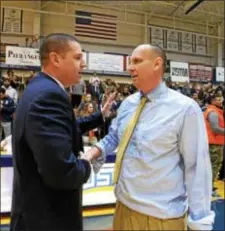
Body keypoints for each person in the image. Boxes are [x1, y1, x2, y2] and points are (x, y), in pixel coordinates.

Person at [83, 44, 215, 230]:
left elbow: (196, 167)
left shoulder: (185, 108)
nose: (130, 67)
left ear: (157, 64)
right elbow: (114, 137)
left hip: (160, 216)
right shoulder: (128, 104)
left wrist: (200, 222)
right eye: (130, 62)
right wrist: (91, 154)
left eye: (137, 61)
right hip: (122, 207)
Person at [10, 33, 114, 231]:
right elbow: (63, 173)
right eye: (77, 57)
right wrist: (86, 161)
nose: (83, 64)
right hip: (48, 218)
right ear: (55, 59)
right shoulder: (48, 96)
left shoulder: (41, 88)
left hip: (35, 212)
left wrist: (99, 116)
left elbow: (66, 126)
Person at [203, 94, 224, 195]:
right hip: (213, 144)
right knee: (213, 167)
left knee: (213, 167)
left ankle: (209, 186)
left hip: (215, 143)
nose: (221, 101)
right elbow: (215, 128)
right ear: (212, 101)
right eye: (218, 99)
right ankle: (208, 189)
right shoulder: (213, 112)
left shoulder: (215, 111)